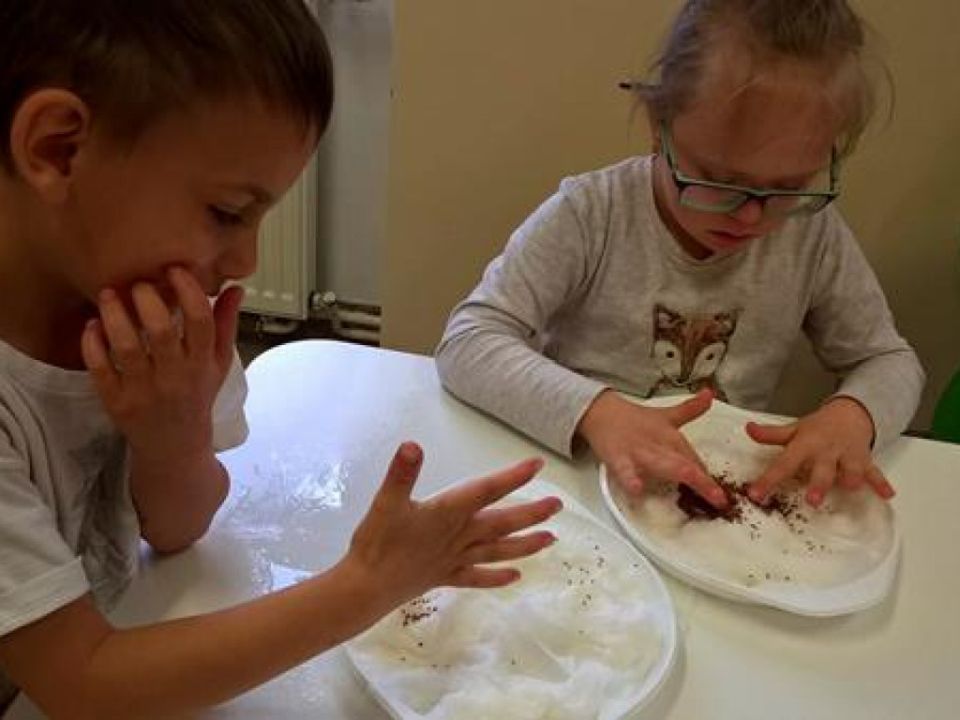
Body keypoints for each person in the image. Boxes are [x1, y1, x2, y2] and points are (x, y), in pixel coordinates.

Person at [0, 2, 561, 717]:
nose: (245, 261)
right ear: (58, 148)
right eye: (227, 212)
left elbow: (176, 529)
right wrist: (367, 584)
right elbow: (83, 683)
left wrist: (172, 437)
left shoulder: (160, 327)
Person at [436, 0, 924, 512]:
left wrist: (853, 415)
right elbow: (469, 340)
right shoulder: (591, 213)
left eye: (789, 187)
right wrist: (596, 412)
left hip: (720, 502)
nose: (750, 216)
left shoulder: (813, 236)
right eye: (719, 180)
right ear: (659, 125)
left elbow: (889, 360)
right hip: (579, 488)